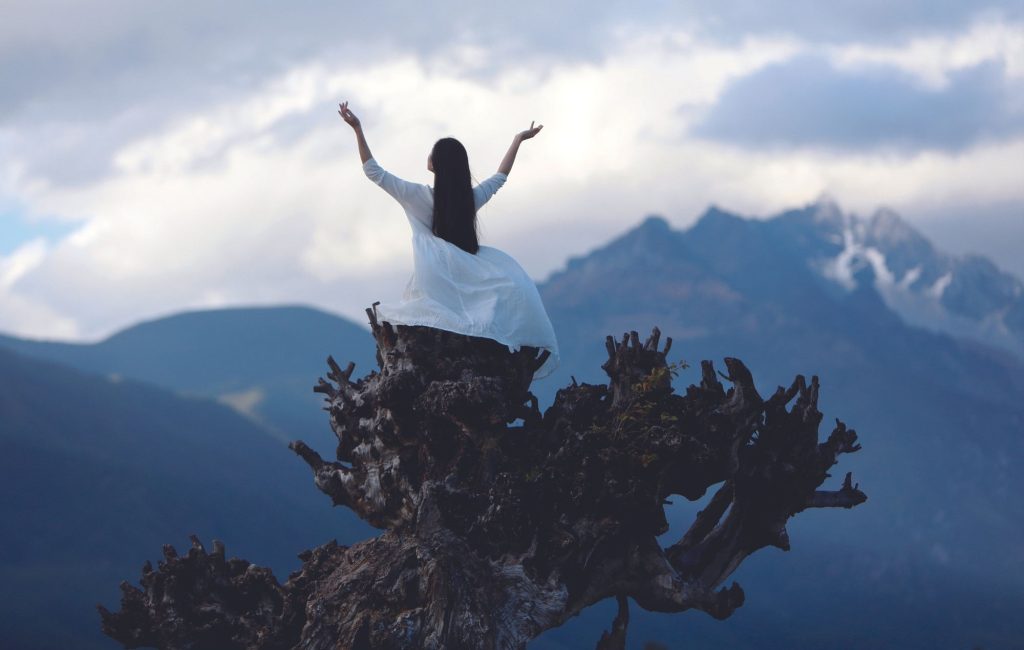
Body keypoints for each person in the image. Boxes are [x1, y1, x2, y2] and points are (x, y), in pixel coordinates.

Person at [338, 100, 560, 380]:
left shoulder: (417, 196)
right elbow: (500, 177)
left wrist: (357, 128)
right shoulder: (467, 200)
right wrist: (518, 140)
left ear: (436, 163)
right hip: (460, 270)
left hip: (434, 275)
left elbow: (374, 171)